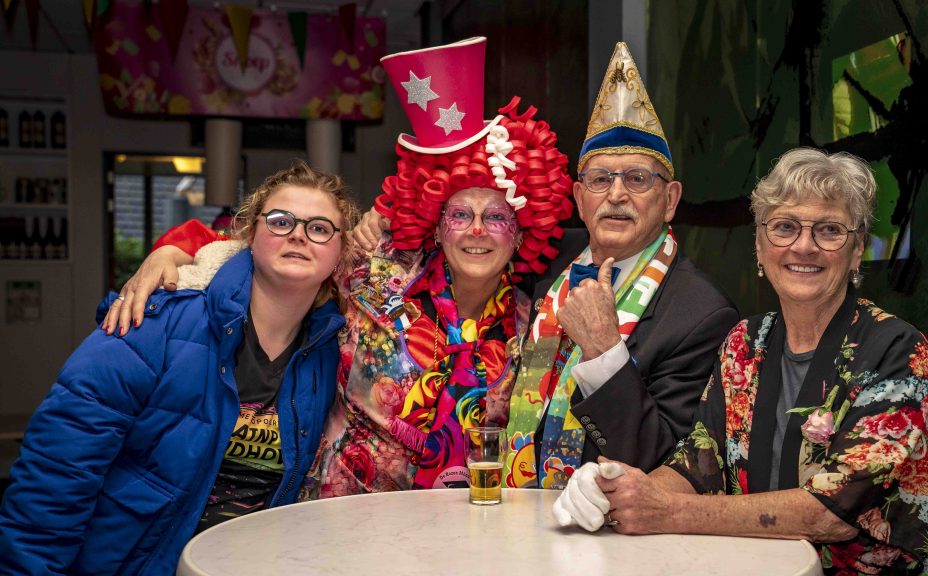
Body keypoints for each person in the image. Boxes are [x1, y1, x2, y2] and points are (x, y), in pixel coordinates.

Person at [103, 37, 575, 496]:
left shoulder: (535, 327)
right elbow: (269, 248)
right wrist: (171, 250)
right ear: (436, 226)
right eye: (459, 214)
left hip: (461, 522)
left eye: (497, 217)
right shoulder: (374, 269)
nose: (477, 230)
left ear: (521, 233)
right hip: (339, 509)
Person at [554, 148, 928, 575]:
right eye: (784, 227)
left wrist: (664, 509)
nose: (803, 246)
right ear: (760, 244)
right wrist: (618, 486)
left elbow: (830, 514)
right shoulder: (745, 344)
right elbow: (696, 465)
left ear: (857, 250)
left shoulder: (897, 353)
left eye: (829, 230)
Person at [352, 42, 738, 490]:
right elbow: (467, 240)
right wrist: (385, 220)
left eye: (637, 179)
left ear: (669, 200)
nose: (616, 195)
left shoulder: (701, 313)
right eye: (600, 179)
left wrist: (605, 351)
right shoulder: (548, 258)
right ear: (579, 198)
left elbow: (663, 466)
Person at [0, 160, 357, 574]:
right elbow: (59, 469)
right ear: (249, 233)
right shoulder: (153, 321)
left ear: (340, 251)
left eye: (319, 228)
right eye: (280, 221)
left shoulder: (331, 352)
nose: (298, 234)